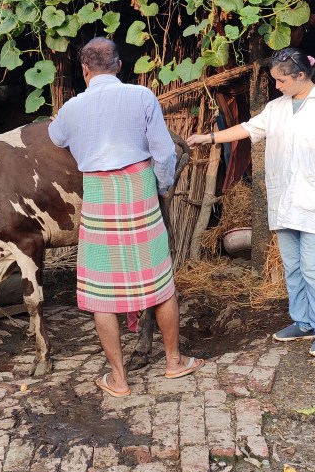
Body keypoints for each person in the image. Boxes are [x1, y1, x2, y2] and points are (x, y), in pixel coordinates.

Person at [49, 37, 204, 397]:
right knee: (158, 281)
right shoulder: (142, 96)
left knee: (101, 291)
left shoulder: (72, 108)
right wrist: (161, 187)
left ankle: (118, 379)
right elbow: (164, 154)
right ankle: (173, 362)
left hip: (98, 194)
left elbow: (56, 137)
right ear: (119, 66)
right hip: (139, 188)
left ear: (84, 70)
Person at [187, 47, 315, 358]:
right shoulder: (276, 108)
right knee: (293, 267)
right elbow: (246, 129)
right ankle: (303, 322)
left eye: (282, 80)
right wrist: (208, 138)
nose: (277, 86)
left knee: (314, 270)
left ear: (301, 75)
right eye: (275, 81)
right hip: (284, 200)